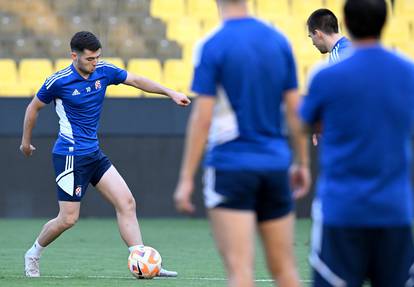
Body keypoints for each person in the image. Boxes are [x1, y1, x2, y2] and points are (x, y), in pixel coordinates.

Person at [21, 31, 190, 278]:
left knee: (127, 202)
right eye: (90, 59)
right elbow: (32, 108)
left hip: (93, 153)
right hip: (70, 156)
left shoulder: (104, 71)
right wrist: (26, 143)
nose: (95, 62)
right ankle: (33, 254)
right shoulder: (58, 81)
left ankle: (143, 260)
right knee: (68, 219)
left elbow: (136, 80)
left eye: (98, 57)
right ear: (74, 56)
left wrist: (171, 92)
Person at [173, 1, 311, 286]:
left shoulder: (211, 44)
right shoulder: (279, 40)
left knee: (239, 272)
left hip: (231, 166)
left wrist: (186, 178)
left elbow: (202, 118)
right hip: (275, 165)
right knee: (285, 269)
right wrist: (303, 162)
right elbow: (296, 110)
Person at [300, 0, 414, 286]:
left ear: (345, 24)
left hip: (343, 207)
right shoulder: (407, 72)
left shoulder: (331, 70)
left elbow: (302, 122)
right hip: (394, 207)